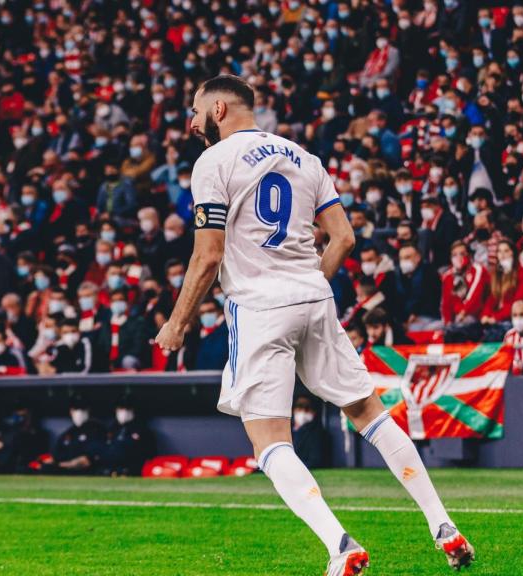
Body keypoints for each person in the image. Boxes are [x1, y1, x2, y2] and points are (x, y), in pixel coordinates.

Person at [154, 76, 471, 575]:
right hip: (313, 295)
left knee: (269, 441)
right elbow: (342, 238)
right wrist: (308, 285)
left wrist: (177, 323)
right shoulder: (305, 157)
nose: (191, 123)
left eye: (194, 112)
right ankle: (443, 524)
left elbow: (208, 254)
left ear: (218, 109)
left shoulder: (213, 162)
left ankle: (340, 545)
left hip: (259, 306)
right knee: (369, 411)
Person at [0, 401, 49, 474]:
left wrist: (3, 444)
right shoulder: (6, 429)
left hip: (16, 463)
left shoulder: (38, 432)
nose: (19, 416)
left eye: (24, 414)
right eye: (17, 412)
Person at [46, 396, 105, 476]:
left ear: (88, 410)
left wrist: (63, 466)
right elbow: (55, 456)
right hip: (63, 472)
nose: (79, 412)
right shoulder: (69, 433)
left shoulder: (97, 429)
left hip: (85, 473)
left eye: (82, 409)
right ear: (71, 411)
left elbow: (87, 460)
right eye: (76, 409)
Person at [98, 395, 156, 477]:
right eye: (121, 408)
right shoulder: (112, 428)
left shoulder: (142, 430)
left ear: (133, 410)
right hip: (109, 471)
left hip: (133, 472)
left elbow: (150, 456)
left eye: (127, 409)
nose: (124, 411)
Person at [290, 396, 330, 470]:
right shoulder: (286, 430)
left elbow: (315, 461)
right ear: (293, 409)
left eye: (307, 407)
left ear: (314, 412)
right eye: (300, 406)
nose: (303, 410)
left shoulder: (319, 434)